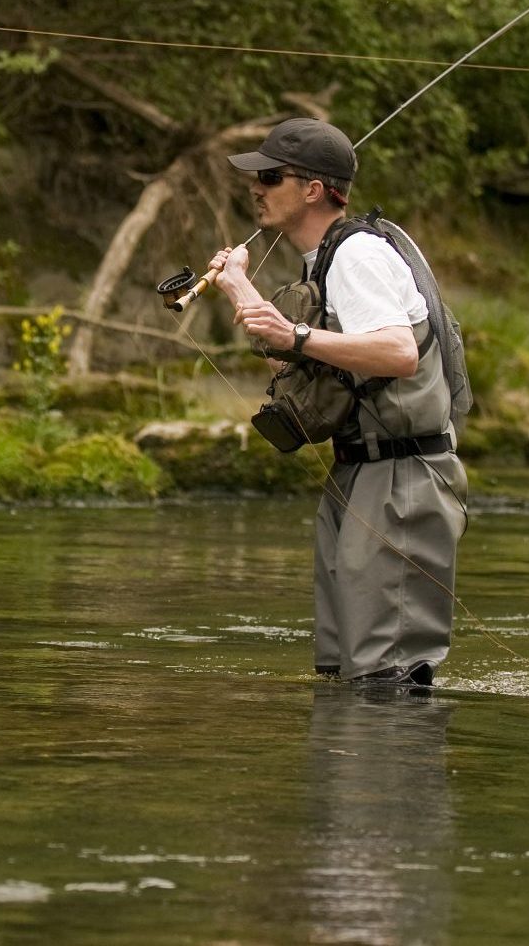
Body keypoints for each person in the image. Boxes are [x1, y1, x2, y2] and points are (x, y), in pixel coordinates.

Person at [206, 118, 467, 687]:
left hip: (402, 474)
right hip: (358, 473)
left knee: (387, 676)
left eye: (270, 177)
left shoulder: (359, 256)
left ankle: (391, 773)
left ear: (313, 190)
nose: (256, 187)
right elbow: (303, 363)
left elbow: (398, 353)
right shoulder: (320, 260)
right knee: (344, 669)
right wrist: (239, 288)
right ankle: (347, 774)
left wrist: (295, 335)